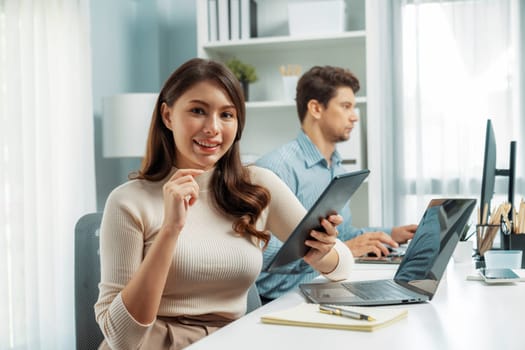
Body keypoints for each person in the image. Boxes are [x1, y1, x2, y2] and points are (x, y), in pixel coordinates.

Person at [94, 58, 354, 350]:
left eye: (227, 115)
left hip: (232, 340)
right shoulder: (129, 201)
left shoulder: (258, 186)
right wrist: (171, 229)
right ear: (167, 116)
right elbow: (122, 340)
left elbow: (343, 266)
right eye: (197, 111)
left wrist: (320, 252)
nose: (213, 128)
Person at [256, 65, 417, 303]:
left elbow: (344, 235)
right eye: (346, 106)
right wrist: (338, 252)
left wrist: (391, 233)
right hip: (279, 299)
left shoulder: (337, 169)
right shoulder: (277, 168)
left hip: (321, 287)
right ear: (316, 108)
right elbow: (260, 251)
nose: (354, 116)